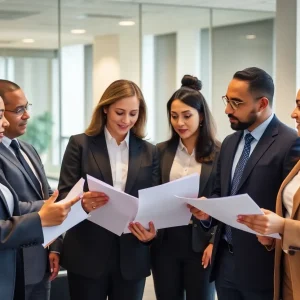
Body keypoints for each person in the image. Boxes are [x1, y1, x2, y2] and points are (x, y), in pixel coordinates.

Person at [188, 67, 300, 300]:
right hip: (224, 263)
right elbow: (221, 193)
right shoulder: (229, 143)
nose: (228, 109)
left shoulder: (290, 143)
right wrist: (207, 212)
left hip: (263, 268)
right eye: (227, 101)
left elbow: (291, 212)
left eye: (237, 103)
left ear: (262, 104)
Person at [57, 79, 160, 300]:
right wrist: (82, 203)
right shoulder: (80, 145)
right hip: (87, 254)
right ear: (105, 108)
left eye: (133, 114)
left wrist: (151, 234)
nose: (126, 120)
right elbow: (64, 196)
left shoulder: (150, 152)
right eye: (119, 112)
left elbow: (154, 203)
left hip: (132, 256)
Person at [0, 94, 81, 300]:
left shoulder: (28, 149)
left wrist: (55, 243)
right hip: (15, 263)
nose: (5, 122)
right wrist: (43, 214)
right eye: (17, 110)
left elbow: (47, 194)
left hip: (38, 262)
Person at [150, 75, 219, 300]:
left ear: (201, 117)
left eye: (187, 116)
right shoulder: (159, 152)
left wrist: (214, 241)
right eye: (174, 116)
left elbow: (224, 198)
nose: (180, 123)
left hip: (201, 241)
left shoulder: (221, 153)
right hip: (165, 242)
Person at [237, 89, 300, 300]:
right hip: (288, 277)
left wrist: (282, 226)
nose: (293, 113)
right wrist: (272, 235)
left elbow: (288, 223)